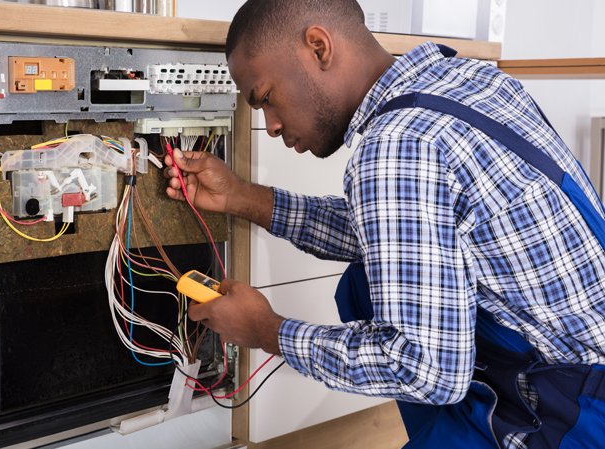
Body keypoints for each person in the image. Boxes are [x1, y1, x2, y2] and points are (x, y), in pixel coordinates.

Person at [163, 1, 605, 448]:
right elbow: (399, 239)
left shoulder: (399, 144)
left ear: (318, 47)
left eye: (266, 98)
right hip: (579, 363)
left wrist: (266, 330)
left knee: (380, 309)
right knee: (365, 280)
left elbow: (427, 372)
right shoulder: (471, 80)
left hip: (578, 415)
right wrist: (240, 196)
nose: (271, 125)